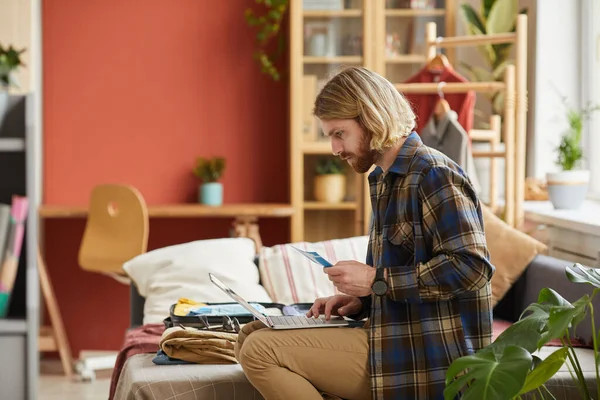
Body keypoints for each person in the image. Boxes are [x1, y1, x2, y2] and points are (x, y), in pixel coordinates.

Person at [234, 66, 495, 400]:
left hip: (427, 356)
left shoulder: (433, 174)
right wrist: (363, 299)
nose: (334, 148)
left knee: (260, 350)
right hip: (394, 336)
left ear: (372, 119)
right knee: (250, 334)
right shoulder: (384, 179)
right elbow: (402, 276)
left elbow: (472, 269)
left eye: (339, 133)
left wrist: (376, 280)